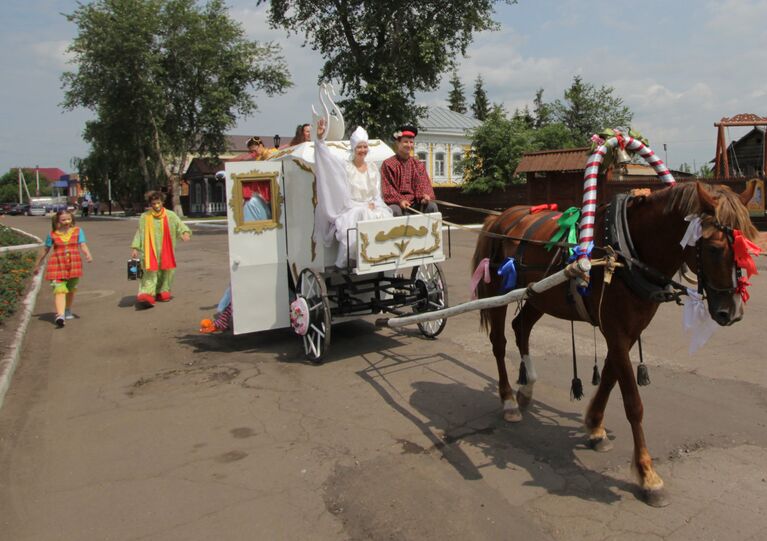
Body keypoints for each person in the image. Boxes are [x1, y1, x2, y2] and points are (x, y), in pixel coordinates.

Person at [314, 118, 392, 267]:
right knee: (362, 215)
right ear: (353, 149)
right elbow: (328, 160)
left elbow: (376, 193)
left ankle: (380, 255)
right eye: (359, 147)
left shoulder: (373, 168)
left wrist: (375, 204)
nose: (362, 150)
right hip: (351, 208)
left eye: (364, 147)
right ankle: (354, 258)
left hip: (371, 206)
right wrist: (319, 140)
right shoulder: (346, 168)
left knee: (382, 215)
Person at [130, 191, 192, 307]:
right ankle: (148, 294)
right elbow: (140, 232)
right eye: (154, 203)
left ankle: (163, 290)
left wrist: (185, 233)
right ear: (150, 204)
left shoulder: (171, 215)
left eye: (158, 203)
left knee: (167, 271)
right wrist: (135, 247)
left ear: (162, 202)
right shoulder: (145, 217)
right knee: (149, 272)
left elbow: (180, 225)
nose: (157, 206)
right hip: (149, 252)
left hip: (166, 250)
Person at [34, 210, 93, 327]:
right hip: (57, 265)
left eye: (69, 219)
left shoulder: (78, 231)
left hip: (74, 265)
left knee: (70, 290)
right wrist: (37, 264)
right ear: (58, 221)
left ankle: (67, 309)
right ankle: (60, 315)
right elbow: (45, 249)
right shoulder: (52, 235)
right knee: (59, 289)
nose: (66, 222)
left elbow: (82, 244)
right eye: (63, 220)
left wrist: (87, 254)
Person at [380, 125, 438, 216]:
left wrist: (424, 196)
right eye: (405, 142)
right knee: (394, 209)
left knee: (432, 206)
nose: (409, 145)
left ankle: (431, 230)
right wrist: (400, 201)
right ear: (398, 143)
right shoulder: (388, 164)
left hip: (417, 204)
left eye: (411, 142)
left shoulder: (418, 164)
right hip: (398, 205)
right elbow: (388, 189)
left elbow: (424, 184)